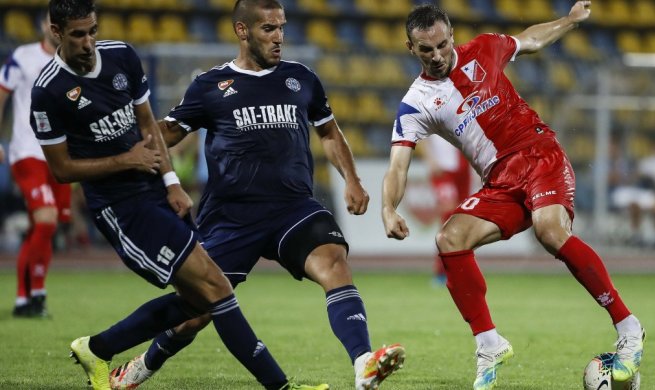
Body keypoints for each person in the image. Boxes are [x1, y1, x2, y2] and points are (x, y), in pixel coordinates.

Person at [31, 1, 327, 389]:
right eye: (77, 34)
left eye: (92, 31)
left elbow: (148, 126)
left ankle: (98, 349)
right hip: (122, 208)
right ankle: (281, 386)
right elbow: (61, 169)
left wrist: (171, 183)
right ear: (55, 31)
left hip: (154, 188)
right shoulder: (48, 90)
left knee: (199, 300)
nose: (89, 42)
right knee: (216, 288)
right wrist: (127, 159)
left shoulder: (121, 57)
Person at [108, 1, 404, 389]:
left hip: (293, 208)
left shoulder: (302, 78)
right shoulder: (211, 86)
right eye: (268, 29)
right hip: (232, 217)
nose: (279, 37)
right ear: (242, 31)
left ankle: (364, 363)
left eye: (281, 27)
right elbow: (171, 132)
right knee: (195, 313)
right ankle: (139, 368)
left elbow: (329, 131)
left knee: (334, 262)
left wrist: (351, 179)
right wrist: (127, 145)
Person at [381, 2, 645, 389]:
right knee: (449, 239)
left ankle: (628, 326)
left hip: (539, 155)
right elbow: (398, 164)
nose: (436, 56)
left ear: (451, 35)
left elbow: (531, 39)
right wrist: (389, 207)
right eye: (426, 50)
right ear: (411, 48)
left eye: (441, 44)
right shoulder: (416, 102)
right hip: (500, 182)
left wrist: (569, 21)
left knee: (550, 231)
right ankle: (489, 344)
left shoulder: (486, 48)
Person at [0, 12, 69, 317]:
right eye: (51, 23)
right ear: (44, 26)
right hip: (27, 151)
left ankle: (29, 298)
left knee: (46, 225)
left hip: (60, 155)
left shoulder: (72, 62)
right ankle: (30, 296)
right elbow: (1, 94)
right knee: (45, 218)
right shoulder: (23, 57)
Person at [419, 134, 473, 285]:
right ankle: (442, 271)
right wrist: (430, 159)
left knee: (463, 217)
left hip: (462, 168)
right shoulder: (427, 109)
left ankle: (461, 269)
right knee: (448, 216)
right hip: (442, 170)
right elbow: (421, 133)